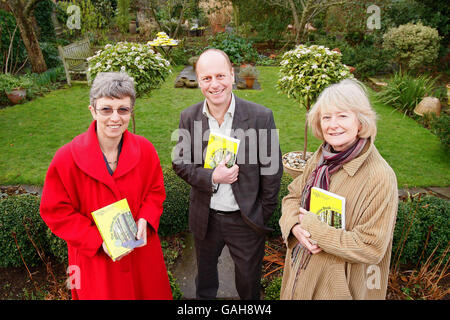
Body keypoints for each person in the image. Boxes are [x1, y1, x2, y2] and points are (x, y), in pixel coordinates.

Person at [40, 72, 172, 300]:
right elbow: (56, 211)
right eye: (106, 109)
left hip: (141, 254)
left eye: (123, 109)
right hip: (96, 261)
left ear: (131, 113)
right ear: (92, 110)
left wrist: (146, 218)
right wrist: (98, 241)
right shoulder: (66, 158)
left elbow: (155, 191)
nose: (115, 117)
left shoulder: (146, 150)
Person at [172, 49, 283, 299]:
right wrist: (211, 177)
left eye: (220, 75)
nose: (215, 84)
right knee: (205, 284)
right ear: (198, 80)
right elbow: (180, 162)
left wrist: (259, 214)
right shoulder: (189, 117)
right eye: (207, 78)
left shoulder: (260, 117)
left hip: (244, 221)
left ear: (232, 75)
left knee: (248, 284)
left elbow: (272, 170)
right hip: (206, 218)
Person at [279, 78, 398, 300]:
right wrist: (295, 226)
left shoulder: (380, 177)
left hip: (337, 289)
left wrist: (315, 229)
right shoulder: (323, 155)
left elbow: (371, 247)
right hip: (300, 272)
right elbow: (293, 196)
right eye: (326, 117)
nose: (333, 124)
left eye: (342, 116)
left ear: (360, 122)